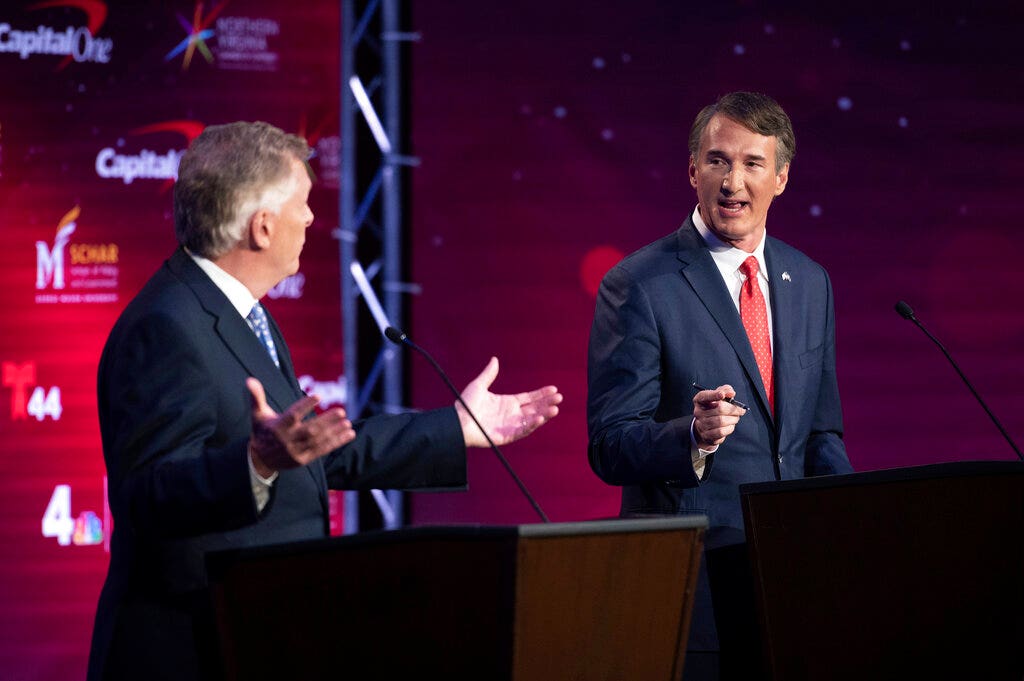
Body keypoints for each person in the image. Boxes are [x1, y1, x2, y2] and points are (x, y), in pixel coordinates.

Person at [87, 121, 563, 681]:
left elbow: (318, 452)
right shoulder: (167, 326)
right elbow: (146, 495)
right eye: (303, 203)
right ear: (262, 227)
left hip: (255, 637)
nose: (312, 218)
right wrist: (256, 463)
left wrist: (453, 427)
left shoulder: (244, 314)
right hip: (188, 650)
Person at [587, 91, 853, 679]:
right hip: (690, 588)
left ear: (781, 178)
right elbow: (609, 444)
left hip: (791, 587)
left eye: (753, 164)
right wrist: (692, 437)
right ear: (692, 171)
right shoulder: (639, 284)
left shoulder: (810, 282)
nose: (733, 181)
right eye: (717, 161)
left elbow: (819, 434)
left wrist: (853, 525)